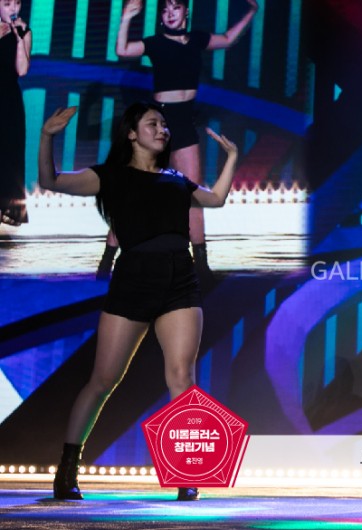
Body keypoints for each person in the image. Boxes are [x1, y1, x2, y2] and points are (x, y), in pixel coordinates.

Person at [39, 102, 239, 501]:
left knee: (181, 376)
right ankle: (67, 468)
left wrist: (232, 157)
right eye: (153, 124)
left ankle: (186, 471)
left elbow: (215, 199)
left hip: (179, 279)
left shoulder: (175, 179)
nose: (163, 129)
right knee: (103, 381)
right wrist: (47, 137)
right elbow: (51, 181)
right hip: (133, 280)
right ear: (132, 133)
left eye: (164, 124)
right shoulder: (109, 176)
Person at [98, 0, 258, 279]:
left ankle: (201, 264)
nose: (170, 13)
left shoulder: (196, 39)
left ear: (186, 11)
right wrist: (126, 18)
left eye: (175, 7)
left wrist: (251, 11)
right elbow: (122, 50)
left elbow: (227, 39)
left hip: (184, 123)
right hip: (159, 122)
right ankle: (107, 261)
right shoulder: (156, 43)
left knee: (192, 196)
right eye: (165, 9)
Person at [0, 0, 31, 226]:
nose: (13, 8)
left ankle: (4, 208)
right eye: (7, 3)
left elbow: (22, 69)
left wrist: (19, 39)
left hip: (8, 102)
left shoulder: (24, 32)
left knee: (8, 157)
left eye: (17, 3)